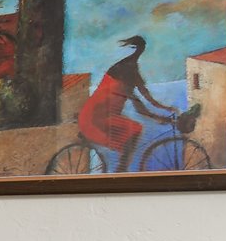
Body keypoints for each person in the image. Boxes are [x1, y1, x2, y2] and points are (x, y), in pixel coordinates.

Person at [76, 35, 178, 172]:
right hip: (97, 119)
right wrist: (162, 112)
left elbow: (141, 103)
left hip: (93, 115)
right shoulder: (129, 71)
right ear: (142, 50)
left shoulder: (121, 69)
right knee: (135, 129)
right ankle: (121, 169)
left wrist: (161, 113)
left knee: (130, 132)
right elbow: (144, 101)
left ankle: (121, 168)